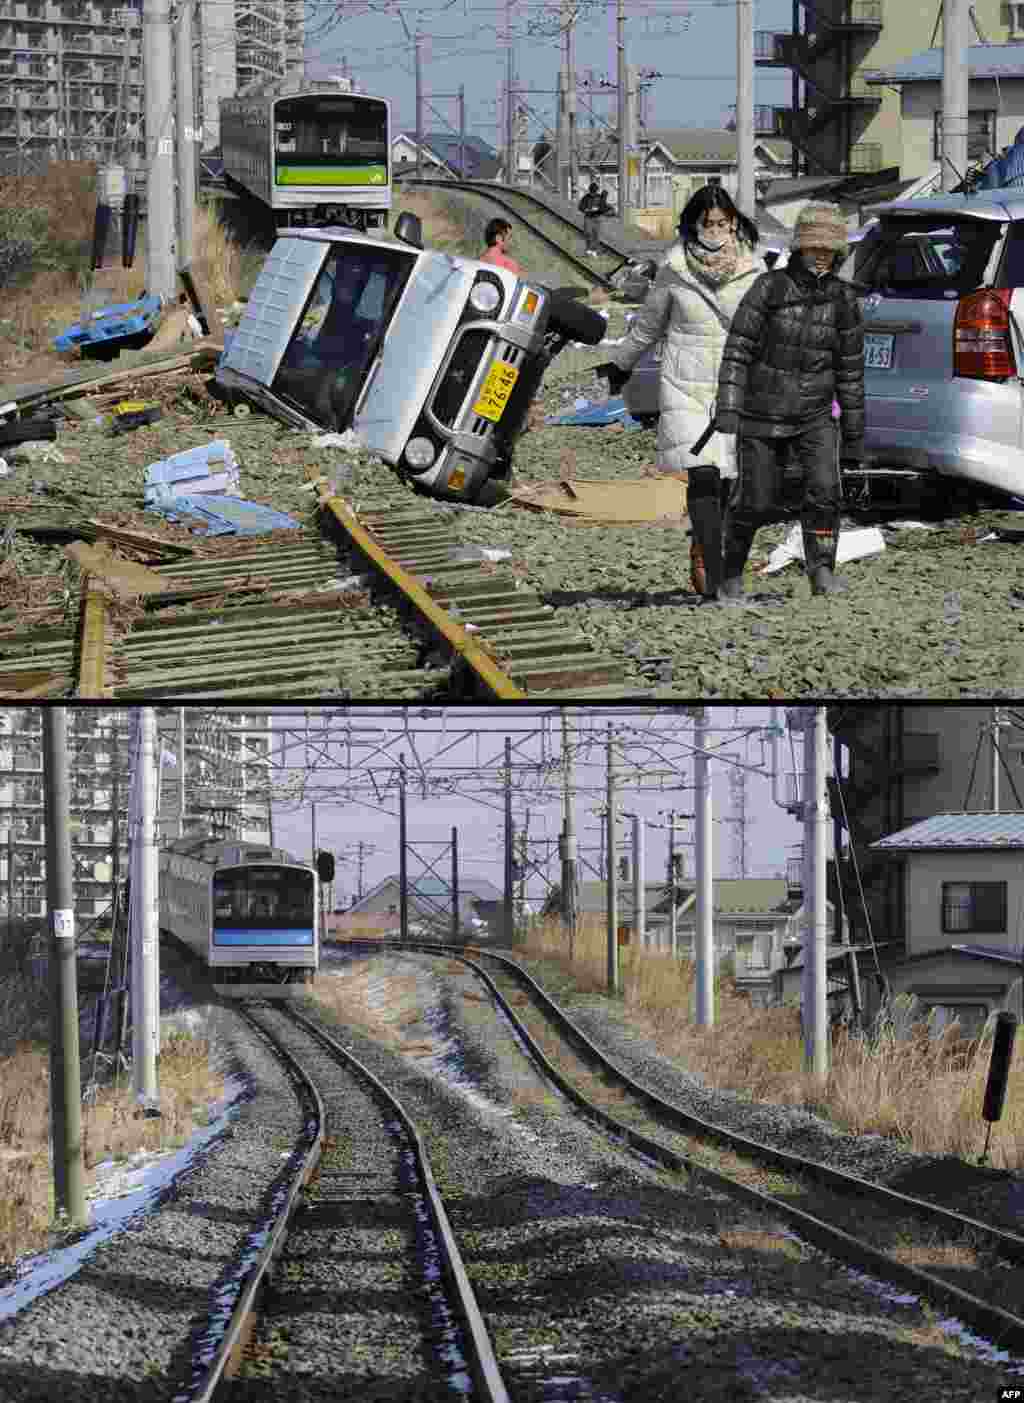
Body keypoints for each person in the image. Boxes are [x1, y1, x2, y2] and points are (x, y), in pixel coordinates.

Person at [594, 186, 763, 598]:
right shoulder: (674, 269)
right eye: (708, 224)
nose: (716, 231)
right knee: (702, 475)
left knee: (728, 479)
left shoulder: (754, 270)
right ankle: (714, 565)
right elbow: (649, 327)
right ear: (694, 225)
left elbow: (766, 329)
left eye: (723, 223)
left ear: (735, 223)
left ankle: (708, 542)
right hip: (684, 383)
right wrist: (621, 364)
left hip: (733, 384)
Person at [713, 201, 864, 600]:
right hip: (761, 414)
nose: (821, 257)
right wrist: (728, 405)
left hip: (816, 415)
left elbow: (849, 368)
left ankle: (822, 572)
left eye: (829, 251)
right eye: (814, 249)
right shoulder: (769, 288)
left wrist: (854, 427)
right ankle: (730, 573)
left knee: (825, 491)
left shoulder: (844, 299)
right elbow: (737, 351)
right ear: (799, 248)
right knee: (756, 501)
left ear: (838, 254)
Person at [578, 181, 611, 255]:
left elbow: (604, 208)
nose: (593, 194)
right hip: (588, 217)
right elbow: (580, 206)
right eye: (591, 192)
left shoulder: (600, 197)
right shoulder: (586, 197)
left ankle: (594, 250)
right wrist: (585, 209)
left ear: (596, 191)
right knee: (588, 233)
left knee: (596, 235)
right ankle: (589, 248)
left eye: (594, 192)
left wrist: (599, 209)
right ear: (590, 190)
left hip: (597, 217)